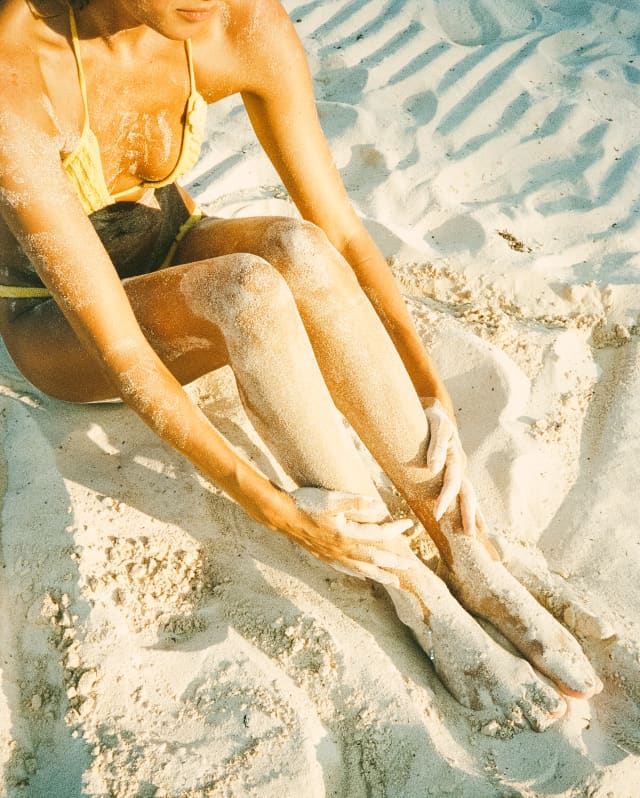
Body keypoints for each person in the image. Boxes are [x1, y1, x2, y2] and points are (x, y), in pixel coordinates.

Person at [0, 0, 601, 731]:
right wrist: (282, 511)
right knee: (246, 291)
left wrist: (427, 387)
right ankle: (407, 582)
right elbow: (122, 351)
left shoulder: (233, 23)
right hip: (55, 323)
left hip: (171, 243)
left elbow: (340, 229)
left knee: (297, 249)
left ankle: (463, 548)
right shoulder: (14, 69)